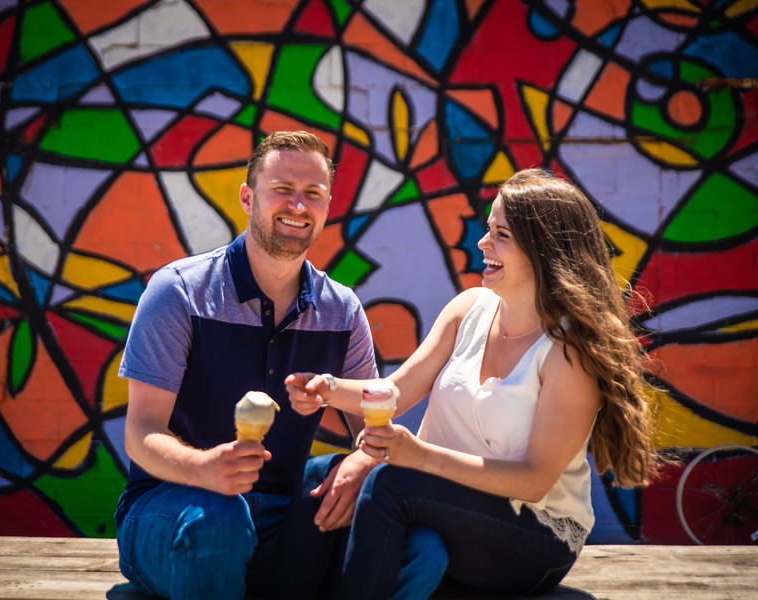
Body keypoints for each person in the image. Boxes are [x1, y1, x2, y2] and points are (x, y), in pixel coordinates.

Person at [286, 168, 655, 599]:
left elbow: (534, 480)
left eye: (501, 235)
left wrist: (417, 456)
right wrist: (328, 388)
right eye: (488, 230)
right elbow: (398, 390)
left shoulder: (570, 351)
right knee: (320, 474)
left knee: (390, 484)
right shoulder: (469, 308)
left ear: (541, 251)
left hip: (534, 535)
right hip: (449, 500)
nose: (483, 243)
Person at [114, 131, 442, 600]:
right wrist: (204, 468)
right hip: (172, 508)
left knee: (423, 548)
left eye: (313, 194)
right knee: (220, 520)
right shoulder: (179, 292)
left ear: (328, 207)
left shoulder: (343, 310)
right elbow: (141, 432)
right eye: (282, 189)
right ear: (248, 197)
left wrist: (361, 462)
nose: (298, 205)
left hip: (289, 521)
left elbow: (372, 429)